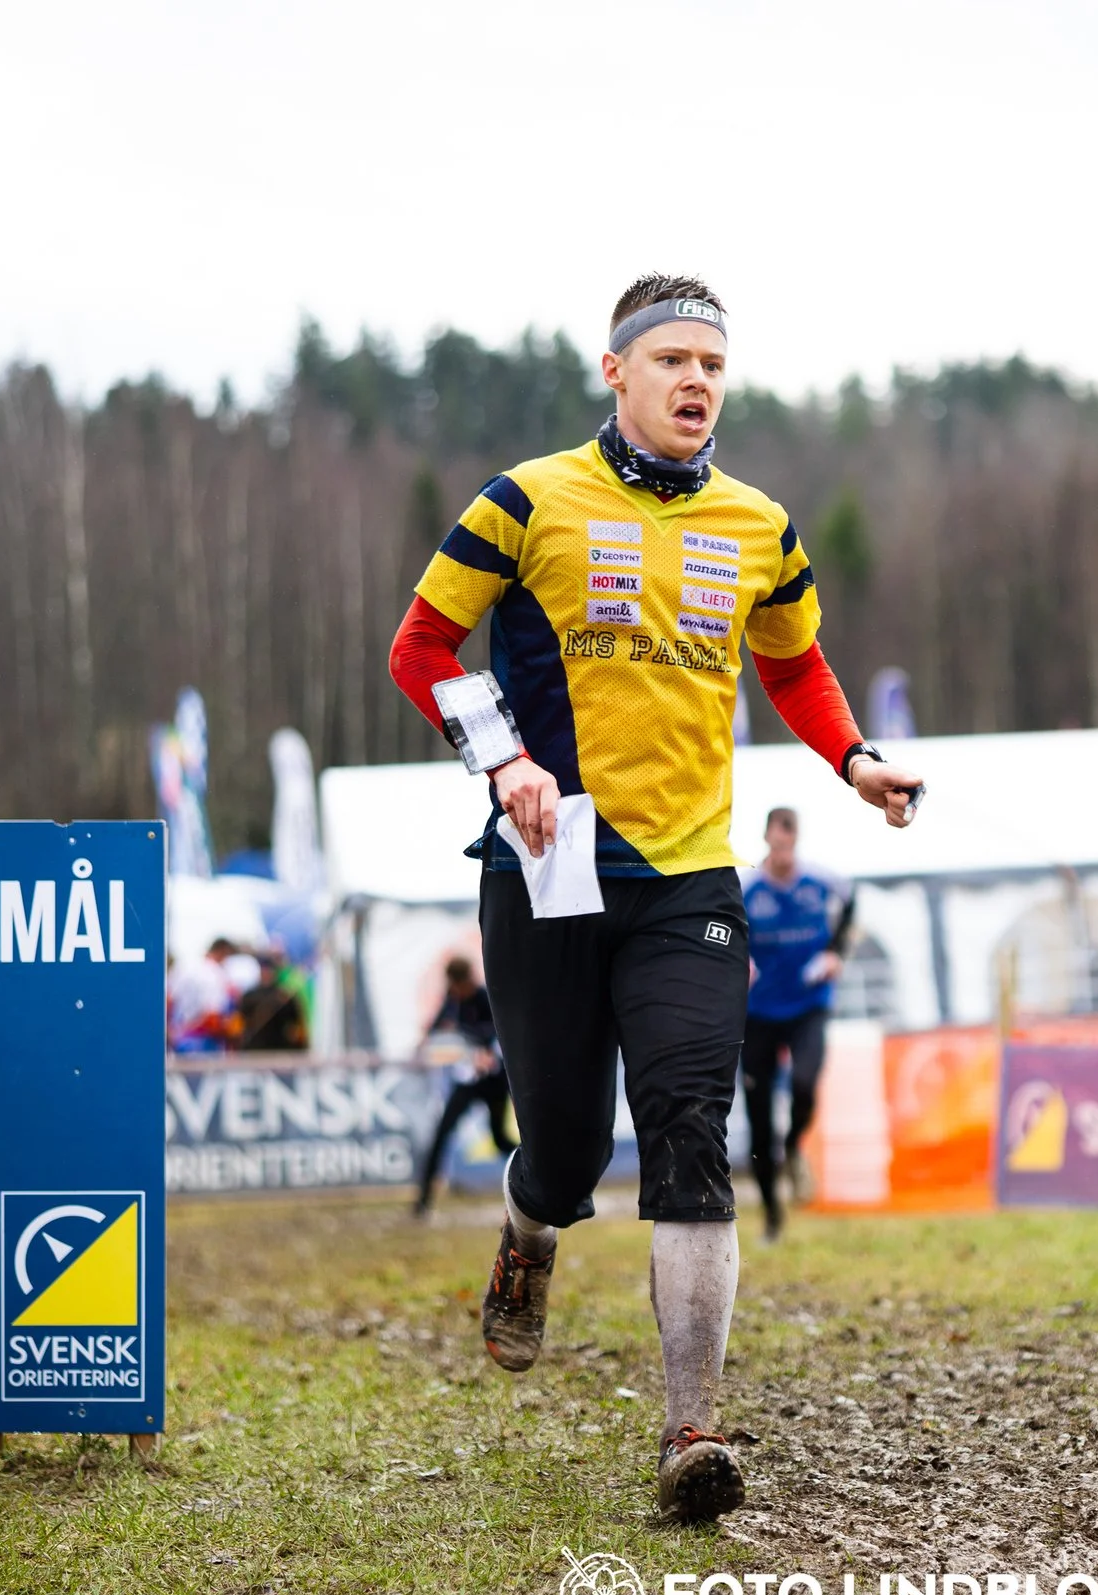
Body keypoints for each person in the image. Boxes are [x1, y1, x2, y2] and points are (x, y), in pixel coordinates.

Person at [387, 273, 922, 1521]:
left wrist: (851, 760)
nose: (695, 383)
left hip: (690, 877)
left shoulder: (759, 525)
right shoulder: (525, 501)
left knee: (690, 1127)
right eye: (672, 359)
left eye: (714, 366)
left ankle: (692, 1427)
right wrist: (507, 759)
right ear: (614, 372)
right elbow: (421, 648)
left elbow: (794, 662)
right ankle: (529, 1230)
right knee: (566, 1143)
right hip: (553, 865)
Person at [740, 806, 851, 1240]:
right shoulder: (748, 887)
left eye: (789, 845)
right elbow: (724, 924)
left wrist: (835, 953)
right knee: (759, 1119)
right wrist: (740, 959)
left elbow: (853, 906)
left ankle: (794, 1146)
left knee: (805, 1084)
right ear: (767, 840)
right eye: (776, 844)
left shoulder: (822, 881)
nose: (782, 853)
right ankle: (771, 1215)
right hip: (758, 1012)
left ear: (796, 841)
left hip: (808, 1005)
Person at [413, 956, 514, 1215]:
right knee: (442, 1133)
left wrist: (469, 1038)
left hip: (491, 1080)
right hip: (467, 1081)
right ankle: (423, 1202)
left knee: (500, 1140)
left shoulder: (483, 996)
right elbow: (438, 1026)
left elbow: (495, 1030)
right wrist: (429, 1037)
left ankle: (538, 1180)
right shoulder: (453, 998)